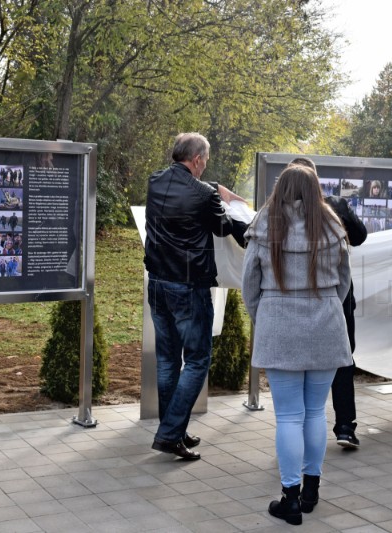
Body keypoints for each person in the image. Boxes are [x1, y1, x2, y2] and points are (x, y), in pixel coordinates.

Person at [242, 164, 352, 525]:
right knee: (316, 412)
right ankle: (311, 491)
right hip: (325, 323)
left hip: (279, 322)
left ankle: (289, 498)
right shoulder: (332, 224)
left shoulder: (264, 223)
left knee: (288, 415)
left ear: (281, 188)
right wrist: (326, 306)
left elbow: (249, 284)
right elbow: (343, 283)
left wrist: (266, 316)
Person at [144, 132, 248, 461]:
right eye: (205, 162)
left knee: (167, 362)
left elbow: (191, 185)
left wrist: (215, 187)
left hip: (158, 284)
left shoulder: (155, 181)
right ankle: (171, 433)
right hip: (188, 288)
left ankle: (173, 428)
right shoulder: (203, 194)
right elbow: (220, 227)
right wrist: (234, 209)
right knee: (198, 360)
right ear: (198, 159)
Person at [289, 157, 368, 449]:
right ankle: (345, 426)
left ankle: (295, 428)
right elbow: (359, 236)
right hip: (336, 298)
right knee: (342, 360)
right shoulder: (335, 205)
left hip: (295, 301)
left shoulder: (278, 212)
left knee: (299, 366)